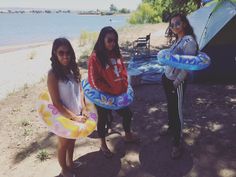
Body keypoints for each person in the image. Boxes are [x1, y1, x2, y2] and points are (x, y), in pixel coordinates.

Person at [88, 26, 139, 158]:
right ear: (102, 40)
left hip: (119, 96)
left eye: (114, 40)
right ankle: (103, 144)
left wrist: (125, 86)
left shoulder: (116, 53)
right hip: (104, 97)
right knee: (103, 120)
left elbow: (123, 71)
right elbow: (94, 81)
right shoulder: (95, 57)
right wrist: (110, 90)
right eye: (109, 40)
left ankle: (128, 136)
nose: (112, 43)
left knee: (127, 114)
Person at [47, 38, 87, 177]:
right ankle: (64, 170)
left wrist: (84, 108)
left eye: (68, 52)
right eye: (61, 52)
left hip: (77, 113)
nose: (65, 56)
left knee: (72, 141)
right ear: (55, 53)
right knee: (63, 144)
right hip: (63, 116)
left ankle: (71, 163)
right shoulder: (52, 74)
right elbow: (56, 103)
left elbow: (80, 90)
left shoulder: (73, 69)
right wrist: (74, 117)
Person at [160, 13, 198, 159]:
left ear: (184, 24)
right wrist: (165, 76)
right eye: (172, 24)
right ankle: (171, 129)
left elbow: (187, 67)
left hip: (177, 82)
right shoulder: (178, 40)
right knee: (170, 106)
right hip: (167, 78)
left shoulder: (189, 42)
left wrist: (176, 83)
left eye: (177, 23)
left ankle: (177, 143)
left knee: (177, 112)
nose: (174, 26)